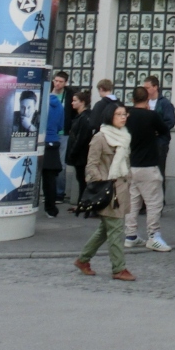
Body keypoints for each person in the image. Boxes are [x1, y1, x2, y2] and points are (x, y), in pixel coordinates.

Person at [74, 103, 136, 281]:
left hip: (122, 188)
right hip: (108, 191)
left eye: (124, 114)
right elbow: (91, 165)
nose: (123, 117)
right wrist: (102, 182)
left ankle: (83, 260)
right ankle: (119, 268)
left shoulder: (124, 136)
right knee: (115, 229)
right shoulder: (100, 137)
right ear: (110, 116)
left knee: (105, 229)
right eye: (119, 114)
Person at [124, 86, 171, 252]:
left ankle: (130, 235)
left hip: (131, 164)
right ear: (147, 100)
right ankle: (153, 236)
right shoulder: (152, 116)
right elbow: (165, 131)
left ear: (132, 99)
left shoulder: (127, 116)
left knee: (133, 202)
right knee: (153, 203)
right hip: (149, 165)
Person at [41, 78, 67, 217]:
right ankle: (51, 209)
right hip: (53, 142)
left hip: (40, 142)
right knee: (50, 179)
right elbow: (60, 126)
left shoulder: (41, 103)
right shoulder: (59, 106)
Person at [143, 76, 175, 179]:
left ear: (155, 87)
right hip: (146, 141)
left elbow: (170, 121)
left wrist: (158, 130)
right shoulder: (144, 102)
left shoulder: (164, 103)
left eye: (147, 88)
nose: (145, 90)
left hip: (160, 141)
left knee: (159, 171)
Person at [65, 90, 96, 197]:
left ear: (82, 102)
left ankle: (82, 201)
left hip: (81, 155)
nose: (72, 103)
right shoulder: (81, 116)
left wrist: (73, 152)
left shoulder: (84, 118)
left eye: (75, 101)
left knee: (82, 179)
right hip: (80, 155)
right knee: (80, 179)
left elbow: (81, 138)